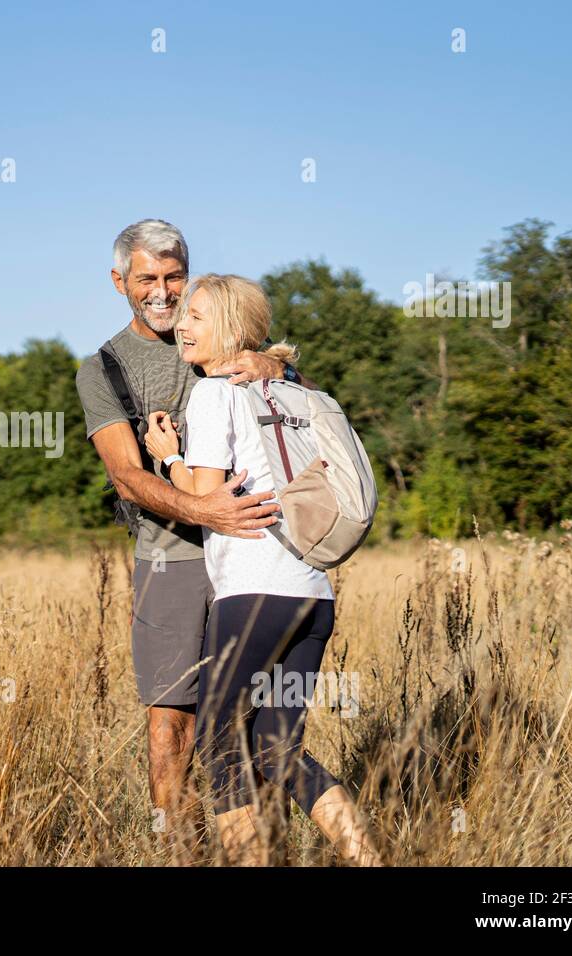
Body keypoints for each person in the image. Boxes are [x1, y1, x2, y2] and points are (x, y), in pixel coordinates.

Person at [142, 272, 383, 865]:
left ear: (230, 328)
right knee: (277, 749)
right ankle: (371, 859)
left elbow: (206, 496)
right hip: (312, 594)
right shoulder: (296, 393)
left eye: (197, 315)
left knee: (222, 743)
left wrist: (167, 455)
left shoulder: (214, 392)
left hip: (253, 591)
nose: (183, 325)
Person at [75, 221, 306, 824]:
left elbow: (296, 412)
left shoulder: (231, 342)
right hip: (171, 560)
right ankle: (179, 851)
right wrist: (207, 510)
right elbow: (127, 475)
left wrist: (275, 368)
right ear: (118, 280)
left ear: (190, 275)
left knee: (258, 729)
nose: (162, 292)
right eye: (146, 278)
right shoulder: (102, 368)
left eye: (174, 276)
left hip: (256, 556)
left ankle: (257, 851)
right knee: (170, 730)